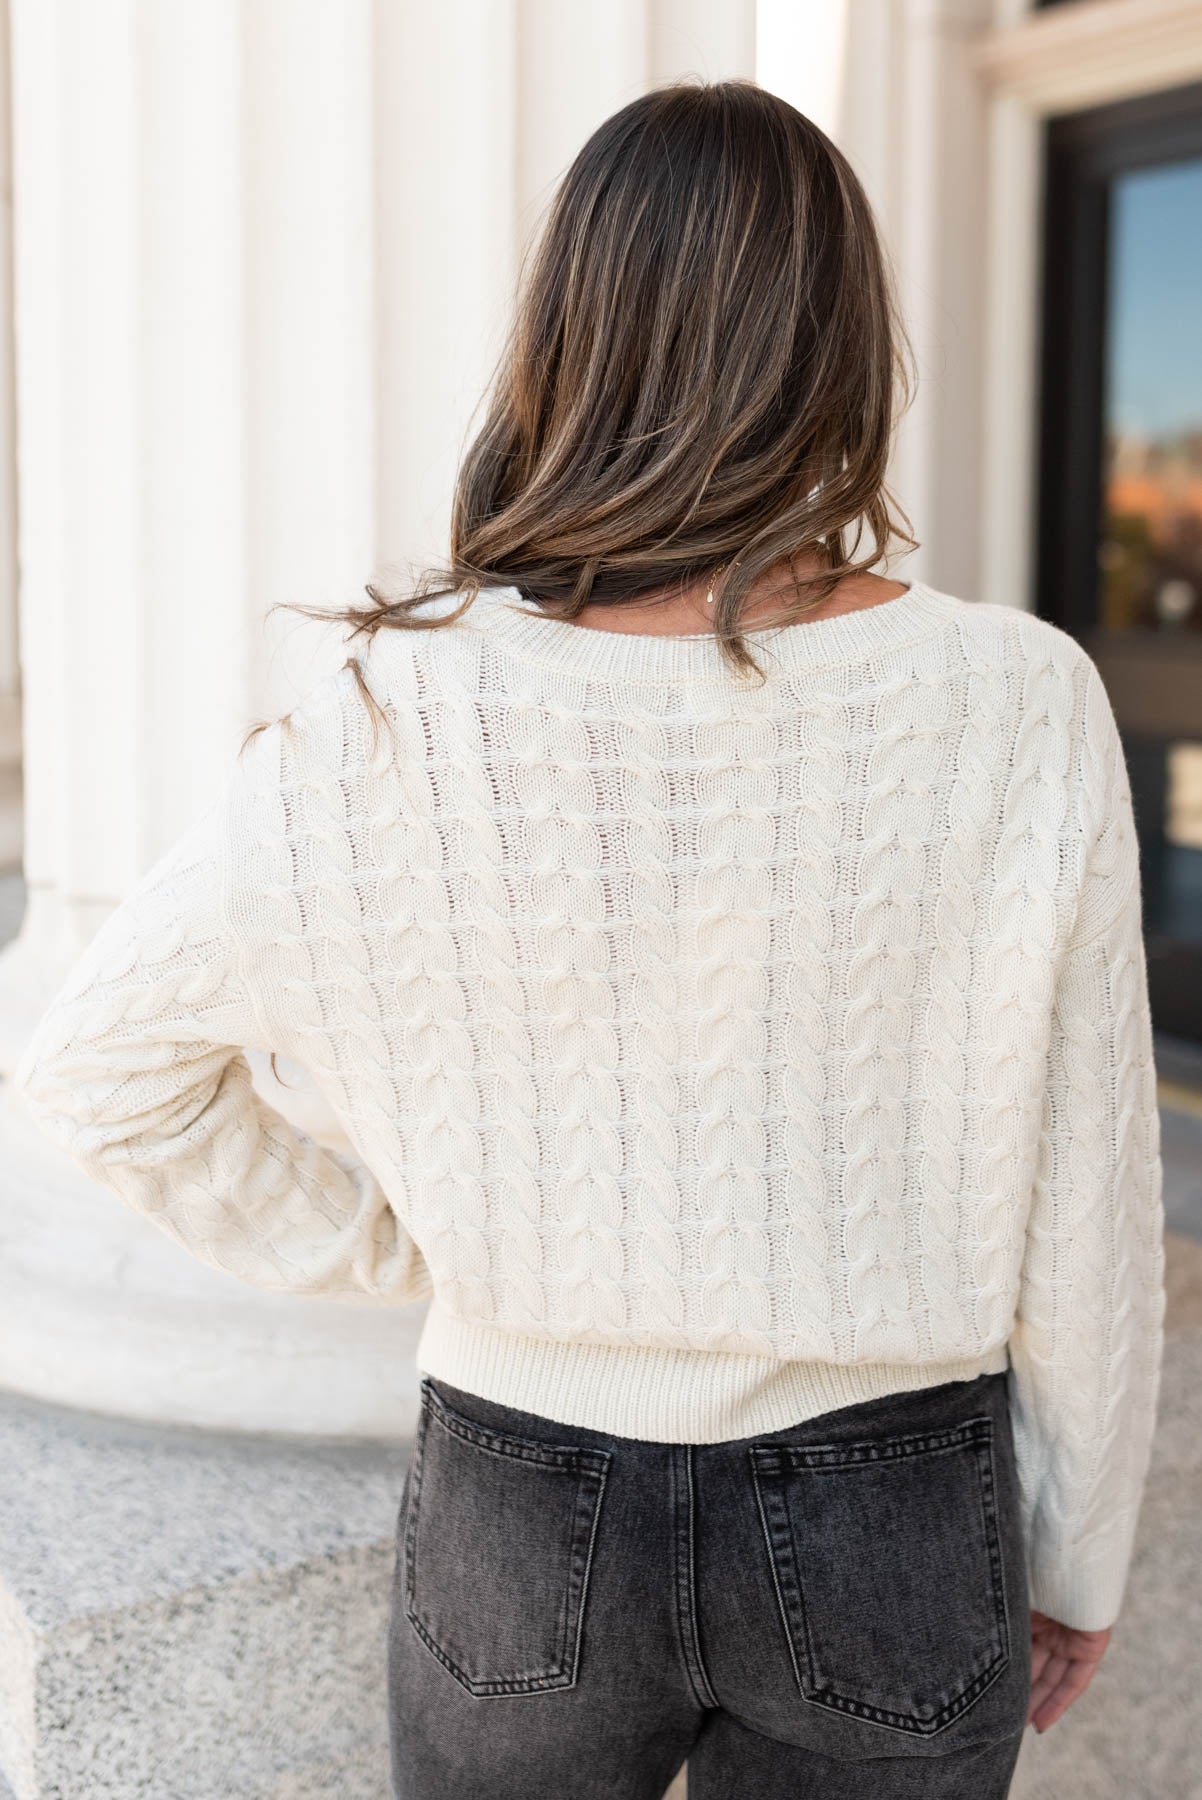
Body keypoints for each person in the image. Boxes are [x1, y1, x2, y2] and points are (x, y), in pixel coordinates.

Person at [12, 78, 1164, 1800]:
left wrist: (412, 1248)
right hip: (890, 1507)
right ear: (842, 342)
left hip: (515, 1501)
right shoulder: (1013, 699)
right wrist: (1077, 1551)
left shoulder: (387, 712)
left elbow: (107, 1069)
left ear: (570, 334)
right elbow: (1089, 1202)